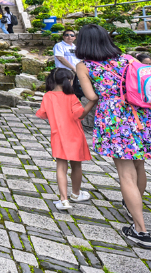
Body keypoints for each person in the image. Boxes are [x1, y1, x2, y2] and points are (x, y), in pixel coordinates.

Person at [76, 24, 151, 248]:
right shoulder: (127, 58)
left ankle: (141, 231)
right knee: (139, 167)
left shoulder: (84, 66)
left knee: (125, 175)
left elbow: (91, 96)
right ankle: (132, 206)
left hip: (114, 118)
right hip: (140, 115)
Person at [36, 68, 96, 210]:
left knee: (61, 167)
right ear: (69, 80)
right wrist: (92, 102)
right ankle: (76, 194)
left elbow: (43, 114)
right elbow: (80, 115)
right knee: (76, 165)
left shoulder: (48, 96)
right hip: (75, 135)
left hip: (58, 136)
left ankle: (63, 200)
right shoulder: (72, 97)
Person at [53, 30, 85, 101]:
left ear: (75, 38)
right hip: (64, 71)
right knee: (64, 90)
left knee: (75, 89)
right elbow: (60, 58)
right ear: (63, 37)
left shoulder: (75, 47)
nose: (69, 37)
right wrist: (73, 68)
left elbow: (80, 59)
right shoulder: (59, 45)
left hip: (75, 71)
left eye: (72, 35)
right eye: (67, 35)